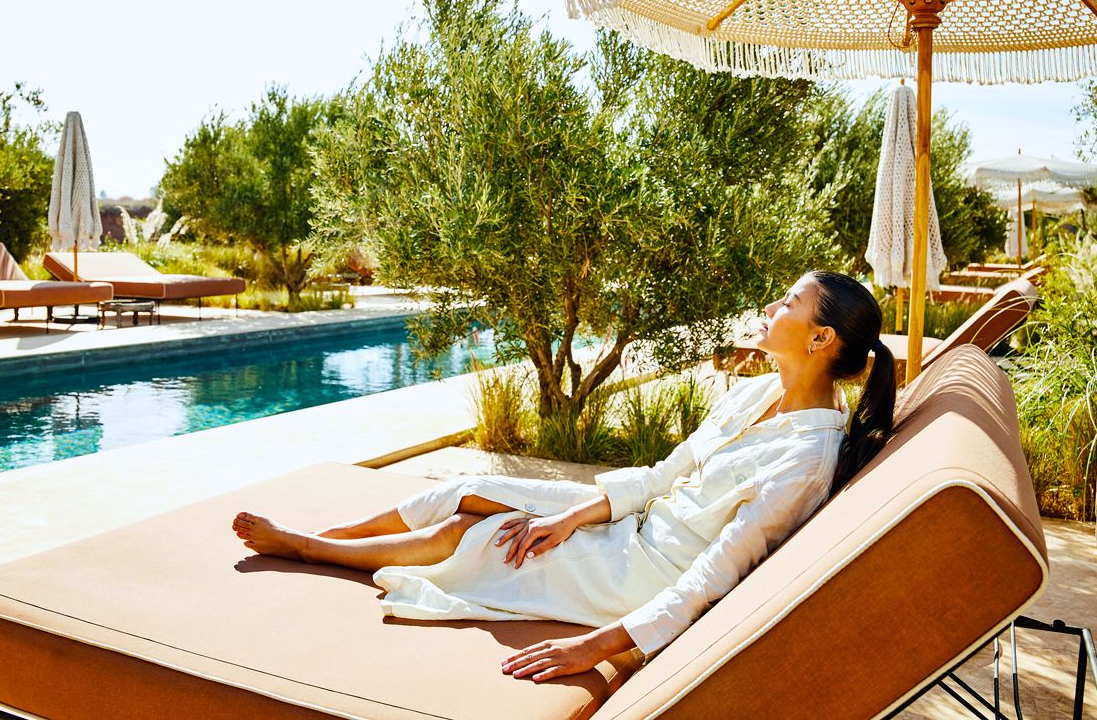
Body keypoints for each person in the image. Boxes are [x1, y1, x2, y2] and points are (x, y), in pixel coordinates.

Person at [231, 270, 895, 682]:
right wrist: (577, 513)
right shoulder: (756, 393)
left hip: (643, 573)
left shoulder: (805, 460)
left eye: (789, 302)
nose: (771, 306)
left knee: (476, 532)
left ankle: (311, 549)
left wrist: (602, 645)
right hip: (633, 523)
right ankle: (332, 535)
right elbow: (665, 474)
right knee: (468, 491)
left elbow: (717, 573)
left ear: (820, 340)